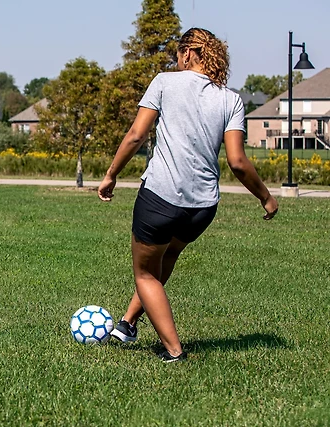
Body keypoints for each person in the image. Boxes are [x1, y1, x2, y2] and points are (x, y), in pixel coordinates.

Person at [97, 27, 279, 363]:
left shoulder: (165, 82)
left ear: (186, 53)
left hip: (160, 199)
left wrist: (111, 175)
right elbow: (238, 162)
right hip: (201, 209)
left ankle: (174, 351)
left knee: (145, 273)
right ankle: (126, 324)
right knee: (165, 259)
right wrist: (265, 197)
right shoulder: (231, 99)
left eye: (177, 54)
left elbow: (137, 135)